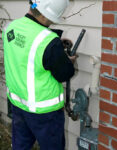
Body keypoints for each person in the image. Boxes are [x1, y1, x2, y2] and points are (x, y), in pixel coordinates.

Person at [2, 0, 77, 149]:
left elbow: (25, 50)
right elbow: (64, 73)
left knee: (20, 146)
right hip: (44, 114)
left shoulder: (11, 27)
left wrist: (55, 49)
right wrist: (67, 61)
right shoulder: (48, 41)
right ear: (46, 15)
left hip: (18, 105)